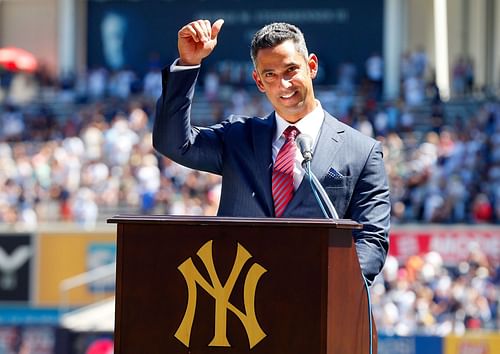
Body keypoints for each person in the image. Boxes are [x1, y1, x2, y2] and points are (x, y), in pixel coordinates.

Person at [153, 19, 390, 284]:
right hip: (237, 306)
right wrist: (187, 64)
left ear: (311, 66)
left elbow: (372, 239)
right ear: (258, 81)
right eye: (271, 75)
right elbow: (172, 143)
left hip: (317, 307)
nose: (283, 84)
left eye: (291, 70)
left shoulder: (361, 151)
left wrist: (332, 287)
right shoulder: (237, 137)